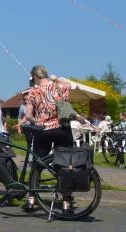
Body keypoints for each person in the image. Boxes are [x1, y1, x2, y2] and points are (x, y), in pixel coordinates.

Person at [22, 65, 74, 213]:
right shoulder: (60, 87)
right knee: (65, 164)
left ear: (35, 77)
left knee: (37, 163)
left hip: (42, 130)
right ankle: (66, 202)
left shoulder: (34, 92)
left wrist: (38, 121)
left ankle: (32, 200)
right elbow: (69, 86)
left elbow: (28, 116)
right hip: (62, 129)